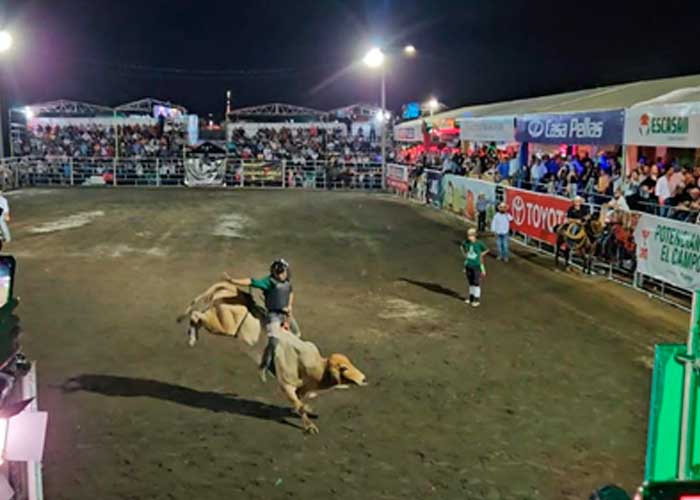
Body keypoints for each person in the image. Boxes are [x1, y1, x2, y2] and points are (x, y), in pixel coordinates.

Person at [226, 259, 296, 381]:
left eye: (285, 271)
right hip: (273, 315)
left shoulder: (287, 282)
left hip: (285, 315)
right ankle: (265, 365)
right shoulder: (268, 282)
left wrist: (289, 306)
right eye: (282, 272)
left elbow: (290, 292)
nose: (284, 274)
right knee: (273, 342)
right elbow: (251, 282)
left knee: (296, 334)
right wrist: (232, 281)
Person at [460, 228, 489, 307]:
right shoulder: (466, 243)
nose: (469, 237)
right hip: (468, 265)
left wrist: (481, 255)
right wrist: (465, 255)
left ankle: (477, 300)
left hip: (476, 266)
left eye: (470, 236)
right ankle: (471, 298)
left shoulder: (479, 243)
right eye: (468, 236)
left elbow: (487, 250)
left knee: (476, 283)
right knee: (471, 283)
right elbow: (462, 247)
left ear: (474, 236)